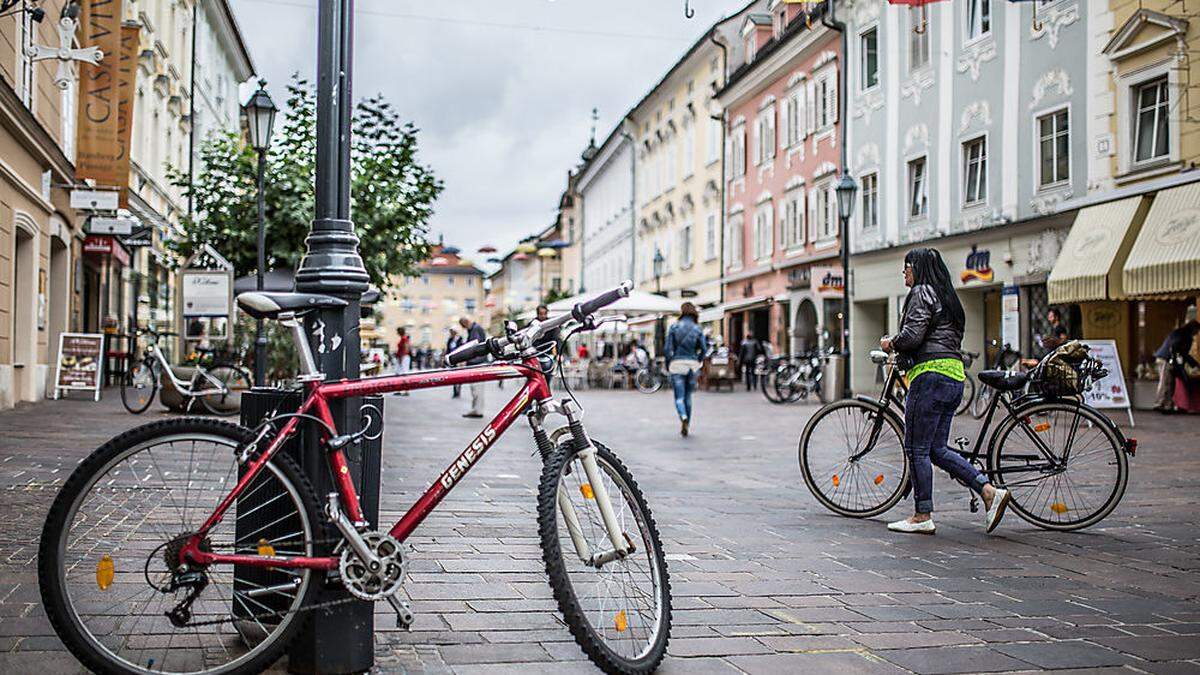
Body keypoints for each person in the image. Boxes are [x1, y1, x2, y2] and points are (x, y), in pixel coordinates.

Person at [879, 247, 1011, 535]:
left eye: (907, 267)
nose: (904, 272)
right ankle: (989, 492)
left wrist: (891, 343)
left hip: (929, 376)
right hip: (953, 376)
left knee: (916, 448)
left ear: (917, 268)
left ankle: (922, 515)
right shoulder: (948, 296)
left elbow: (913, 337)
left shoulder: (922, 292)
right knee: (936, 450)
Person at [665, 302, 707, 437]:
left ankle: (683, 416)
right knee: (688, 396)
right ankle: (687, 424)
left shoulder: (674, 327)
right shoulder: (697, 328)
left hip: (677, 364)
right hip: (692, 365)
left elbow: (667, 349)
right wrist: (698, 360)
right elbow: (704, 349)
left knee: (679, 398)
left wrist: (668, 363)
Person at [1168, 309, 1200, 413]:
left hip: (1173, 359)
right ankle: (1167, 404)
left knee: (1171, 383)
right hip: (1171, 359)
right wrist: (1194, 364)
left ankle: (1172, 404)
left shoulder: (1180, 333)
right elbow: (1182, 353)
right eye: (1197, 331)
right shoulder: (1185, 336)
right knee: (1169, 383)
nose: (1197, 333)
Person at [458, 316, 488, 418]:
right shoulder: (474, 329)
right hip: (476, 362)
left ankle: (478, 410)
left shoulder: (475, 329)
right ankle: (476, 409)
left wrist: (466, 358)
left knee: (477, 387)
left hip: (477, 362)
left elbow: (474, 346)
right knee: (475, 388)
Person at [446, 327, 464, 398]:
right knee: (453, 375)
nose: (451, 333)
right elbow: (448, 350)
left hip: (459, 359)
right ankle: (455, 391)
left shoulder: (460, 339)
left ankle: (458, 390)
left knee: (459, 375)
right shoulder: (450, 340)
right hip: (452, 359)